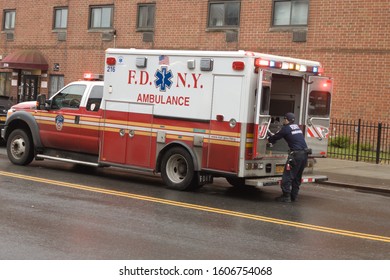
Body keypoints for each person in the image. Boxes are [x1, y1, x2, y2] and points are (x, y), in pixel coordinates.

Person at [267, 112, 309, 203]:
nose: (283, 121)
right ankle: (294, 196)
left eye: (284, 119)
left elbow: (274, 138)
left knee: (287, 176)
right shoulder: (297, 127)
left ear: (287, 120)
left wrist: (269, 137)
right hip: (305, 154)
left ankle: (286, 196)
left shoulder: (285, 129)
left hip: (296, 156)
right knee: (297, 177)